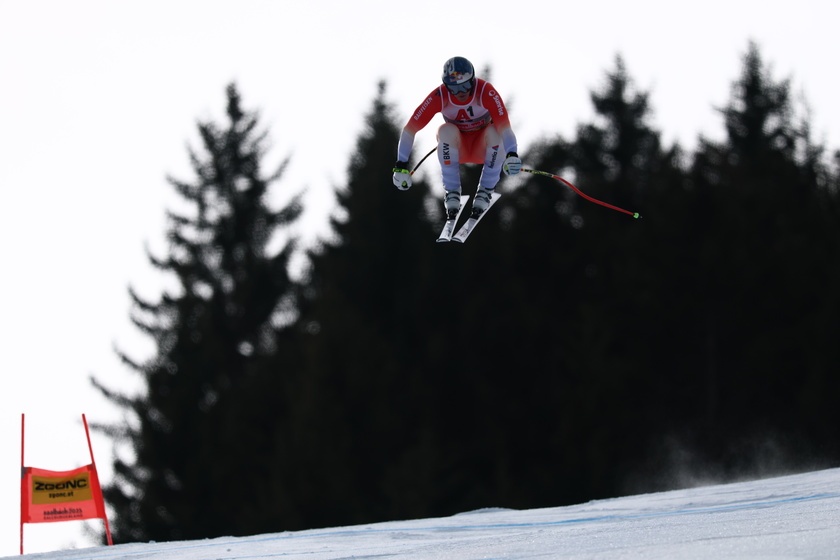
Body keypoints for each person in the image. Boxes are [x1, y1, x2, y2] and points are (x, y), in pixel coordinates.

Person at [392, 56, 522, 218]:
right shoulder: (439, 96)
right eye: (453, 88)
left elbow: (505, 128)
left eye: (466, 86)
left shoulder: (485, 92)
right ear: (446, 86)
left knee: (495, 132)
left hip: (483, 148)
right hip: (456, 148)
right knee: (445, 130)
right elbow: (410, 129)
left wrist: (512, 154)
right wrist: (401, 165)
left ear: (473, 80)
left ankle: (485, 191)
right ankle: (452, 192)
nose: (460, 93)